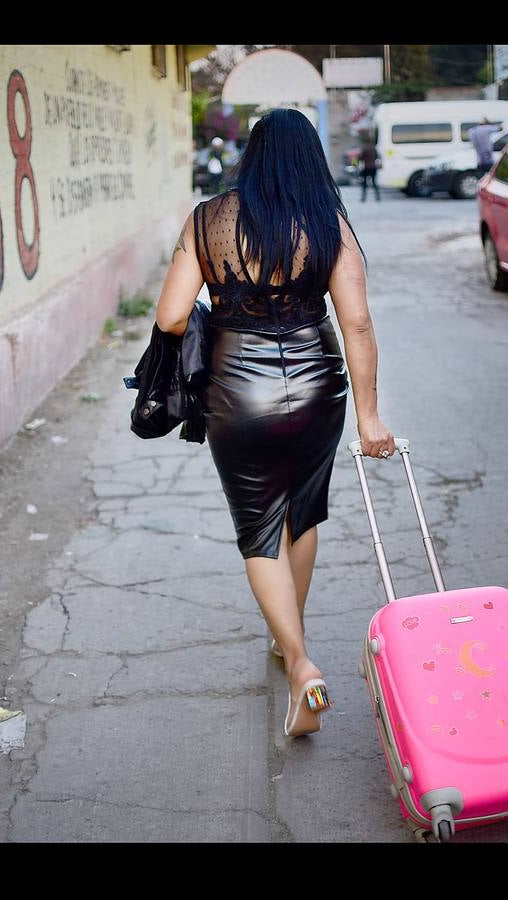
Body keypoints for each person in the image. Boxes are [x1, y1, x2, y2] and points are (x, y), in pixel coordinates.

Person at [153, 108, 396, 738]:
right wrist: (369, 417)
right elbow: (359, 323)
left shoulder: (208, 219)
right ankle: (290, 639)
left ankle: (300, 664)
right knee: (302, 512)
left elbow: (174, 315)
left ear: (252, 157)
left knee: (258, 525)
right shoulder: (328, 222)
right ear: (310, 158)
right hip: (318, 385)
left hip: (238, 389)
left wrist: (218, 320)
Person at [358, 135, 381, 202]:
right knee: (374, 183)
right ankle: (378, 197)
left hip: (366, 167)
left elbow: (360, 158)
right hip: (373, 167)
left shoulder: (364, 148)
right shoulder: (374, 148)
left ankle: (363, 198)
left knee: (364, 183)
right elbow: (377, 157)